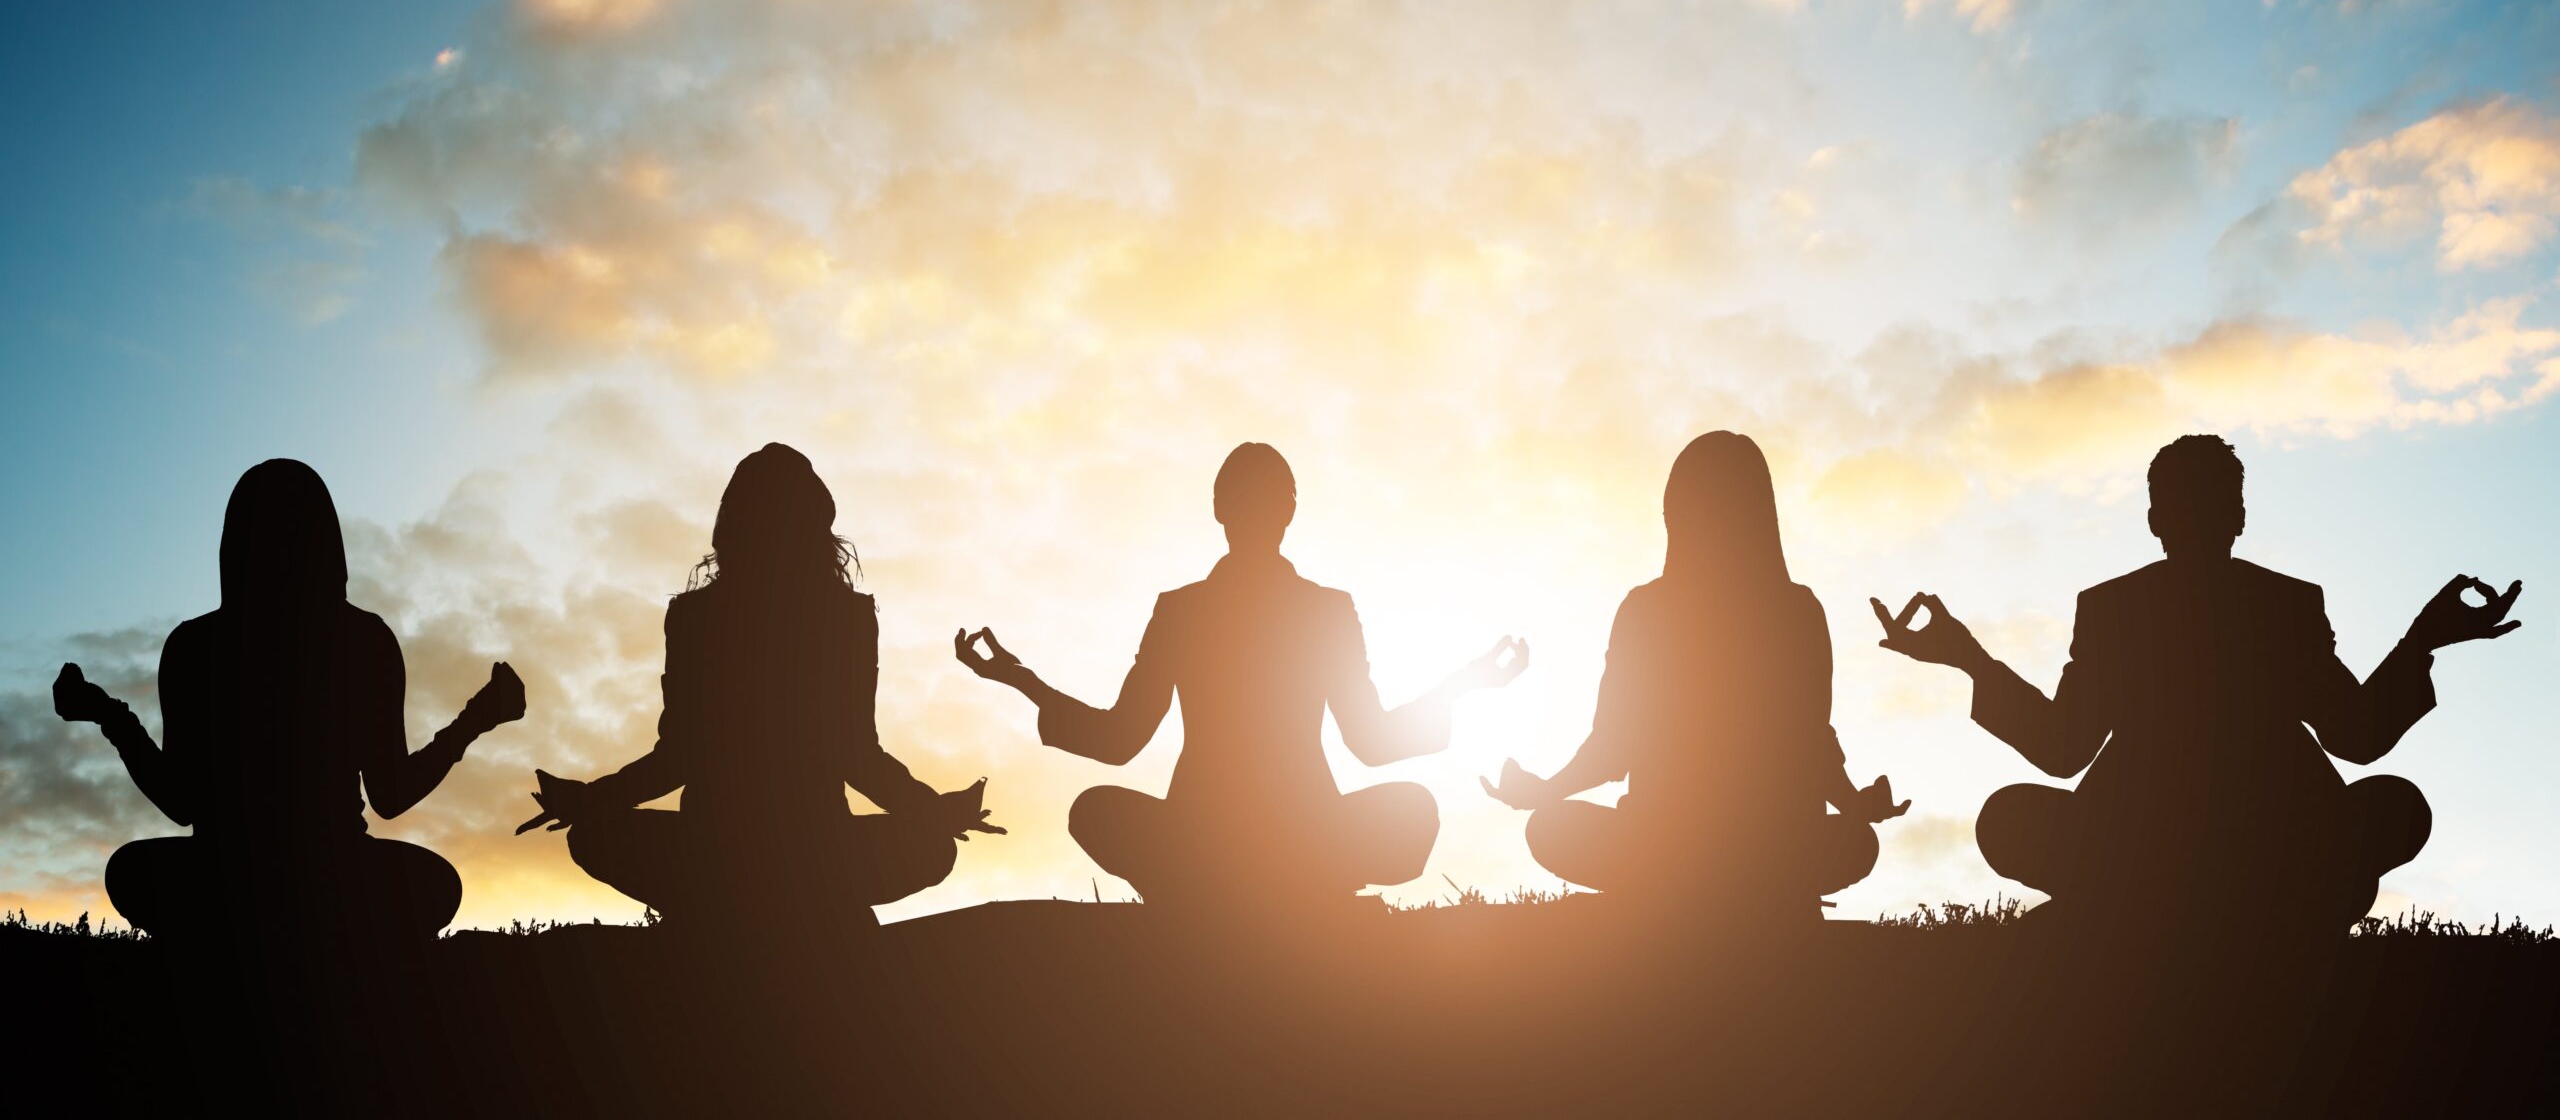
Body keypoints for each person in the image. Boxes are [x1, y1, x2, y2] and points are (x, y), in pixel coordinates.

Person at [1874, 433, 2523, 934]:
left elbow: (2060, 748)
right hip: (2240, 851)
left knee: (2010, 817)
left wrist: (1971, 659)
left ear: (2157, 519)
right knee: (2394, 808)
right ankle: (2261, 907)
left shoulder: (2121, 606)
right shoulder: (2281, 602)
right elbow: (2357, 734)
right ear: (2237, 516)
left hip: (2186, 849)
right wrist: (2421, 641)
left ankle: (2127, 908)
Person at [955, 441, 1526, 910]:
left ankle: (1207, 892)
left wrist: (1020, 679)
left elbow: (1117, 739)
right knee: (1415, 809)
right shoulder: (1313, 609)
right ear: (1288, 511)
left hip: (1221, 839)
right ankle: (1301, 889)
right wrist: (1464, 686)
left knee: (1093, 810)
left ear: (1220, 510)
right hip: (1289, 838)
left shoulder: (1192, 609)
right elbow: (1371, 743)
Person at [521, 443, 997, 929]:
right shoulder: (846, 617)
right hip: (816, 856)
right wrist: (932, 812)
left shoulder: (695, 617)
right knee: (932, 849)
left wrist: (589, 802)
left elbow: (677, 756)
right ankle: (814, 904)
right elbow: (858, 755)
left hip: (715, 855)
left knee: (590, 836)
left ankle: (718, 907)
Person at [52, 458, 523, 945]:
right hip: (334, 882)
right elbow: (392, 795)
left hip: (225, 879)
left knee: (130, 871)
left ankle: (234, 937)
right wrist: (476, 719)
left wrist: (108, 715)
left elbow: (179, 801)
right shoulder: (363, 639)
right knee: (435, 885)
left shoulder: (195, 645)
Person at [1481, 431, 1904, 915]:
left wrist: (1545, 792)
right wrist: (1854, 807)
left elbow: (1612, 746)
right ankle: (1758, 891)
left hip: (1665, 851)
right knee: (1857, 843)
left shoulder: (1646, 610)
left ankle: (1672, 889)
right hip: (1774, 856)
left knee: (1549, 827)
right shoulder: (1801, 611)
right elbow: (1813, 745)